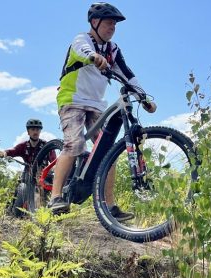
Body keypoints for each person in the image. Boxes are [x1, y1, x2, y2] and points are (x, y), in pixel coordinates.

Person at [48, 2, 156, 221]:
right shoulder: (82, 40)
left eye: (114, 25)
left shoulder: (113, 50)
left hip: (96, 104)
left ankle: (109, 206)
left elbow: (127, 74)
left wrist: (143, 97)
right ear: (95, 23)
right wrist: (93, 57)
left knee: (109, 154)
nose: (112, 28)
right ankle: (56, 196)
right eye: (108, 23)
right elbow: (82, 51)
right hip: (72, 100)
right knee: (75, 144)